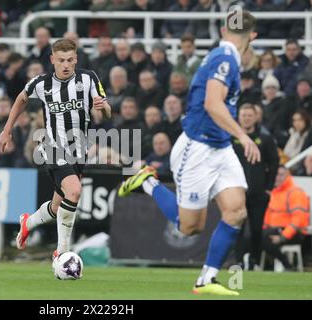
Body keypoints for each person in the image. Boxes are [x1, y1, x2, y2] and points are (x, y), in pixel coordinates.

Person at [118, 10, 259, 295]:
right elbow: (212, 104)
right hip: (197, 148)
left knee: (236, 211)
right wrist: (243, 135)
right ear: (253, 36)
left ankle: (206, 279)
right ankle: (147, 181)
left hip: (219, 147)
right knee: (190, 227)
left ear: (222, 30)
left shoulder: (224, 55)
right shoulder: (225, 58)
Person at [0, 38, 111, 265]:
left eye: (70, 60)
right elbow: (21, 98)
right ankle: (62, 252)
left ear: (76, 59)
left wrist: (103, 107)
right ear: (52, 60)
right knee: (75, 191)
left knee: (57, 206)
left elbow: (107, 112)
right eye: (61, 60)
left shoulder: (89, 78)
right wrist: (7, 129)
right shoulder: (41, 84)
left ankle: (28, 223)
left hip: (79, 150)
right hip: (52, 146)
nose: (66, 64)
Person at [232, 104, 279, 270]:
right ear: (239, 117)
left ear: (256, 117)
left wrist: (269, 186)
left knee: (257, 229)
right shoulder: (232, 139)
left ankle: (255, 261)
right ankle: (238, 261)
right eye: (243, 115)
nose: (246, 118)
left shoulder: (265, 139)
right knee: (236, 228)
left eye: (249, 115)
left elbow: (274, 163)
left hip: (258, 193)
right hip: (237, 192)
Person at [262, 166, 310, 271]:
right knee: (254, 235)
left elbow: (298, 220)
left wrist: (282, 237)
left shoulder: (295, 192)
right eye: (276, 174)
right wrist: (264, 229)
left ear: (288, 176)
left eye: (281, 175)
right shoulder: (275, 192)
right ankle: (286, 265)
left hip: (295, 233)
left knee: (261, 237)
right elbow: (268, 217)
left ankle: (287, 265)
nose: (277, 178)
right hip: (276, 230)